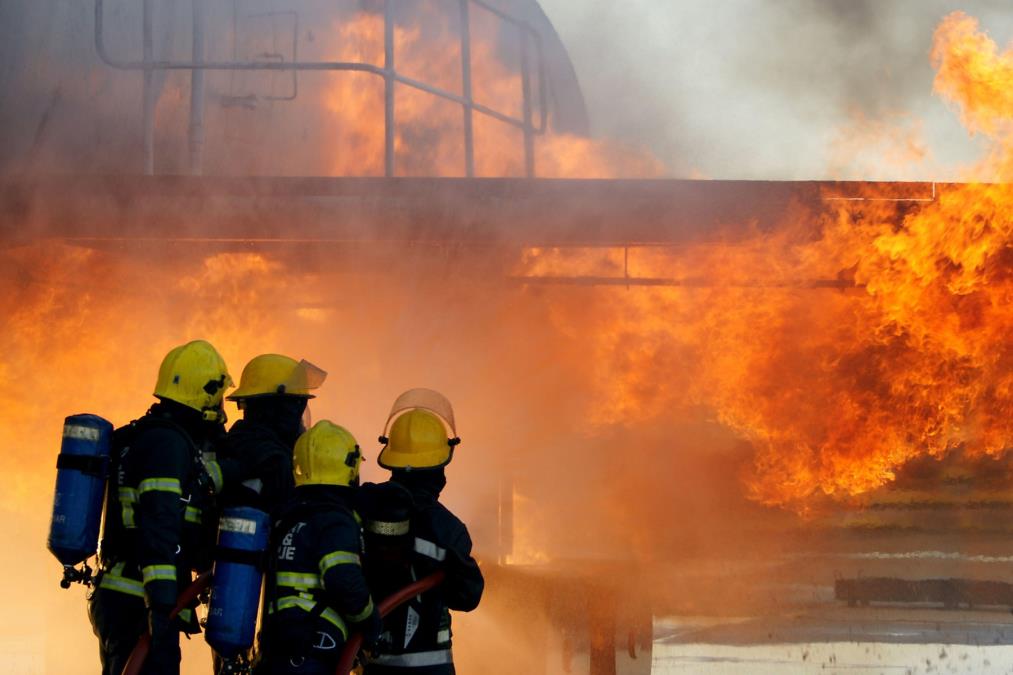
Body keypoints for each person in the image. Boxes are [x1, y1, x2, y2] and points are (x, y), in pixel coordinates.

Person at [89, 339, 232, 675]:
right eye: (218, 395)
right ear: (205, 393)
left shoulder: (150, 436)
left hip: (129, 597)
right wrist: (161, 604)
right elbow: (159, 525)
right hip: (139, 602)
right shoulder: (168, 445)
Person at [361, 389, 484, 675]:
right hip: (431, 668)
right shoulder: (448, 529)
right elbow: (467, 597)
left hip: (374, 664)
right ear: (439, 467)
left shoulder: (365, 506)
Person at [257, 420, 382, 674]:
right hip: (313, 649)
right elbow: (343, 580)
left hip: (277, 650)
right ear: (350, 466)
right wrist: (371, 624)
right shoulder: (334, 520)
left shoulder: (287, 517)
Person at [218, 354, 326, 513]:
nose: (301, 423)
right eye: (295, 410)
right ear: (277, 410)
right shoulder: (276, 462)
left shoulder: (233, 443)